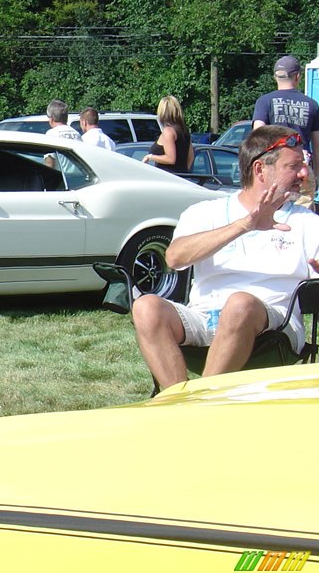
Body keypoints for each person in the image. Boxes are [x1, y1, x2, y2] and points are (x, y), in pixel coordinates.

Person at [132, 125, 319, 391]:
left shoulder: (306, 222)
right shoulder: (206, 212)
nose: (303, 173)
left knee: (239, 305)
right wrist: (245, 225)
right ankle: (176, 400)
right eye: (294, 165)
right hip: (204, 317)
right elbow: (174, 258)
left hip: (275, 326)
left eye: (304, 164)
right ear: (260, 170)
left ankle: (200, 403)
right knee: (146, 307)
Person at [253, 54, 319, 206]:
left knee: (273, 213)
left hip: (273, 166)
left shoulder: (264, 102)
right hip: (301, 168)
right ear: (297, 76)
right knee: (303, 216)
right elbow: (317, 145)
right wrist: (316, 175)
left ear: (275, 77)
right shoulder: (312, 105)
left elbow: (258, 137)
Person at [142, 95, 193, 173]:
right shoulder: (184, 131)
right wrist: (183, 172)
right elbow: (191, 158)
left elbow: (171, 159)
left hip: (167, 177)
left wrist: (150, 157)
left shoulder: (168, 131)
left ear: (162, 111)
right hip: (181, 179)